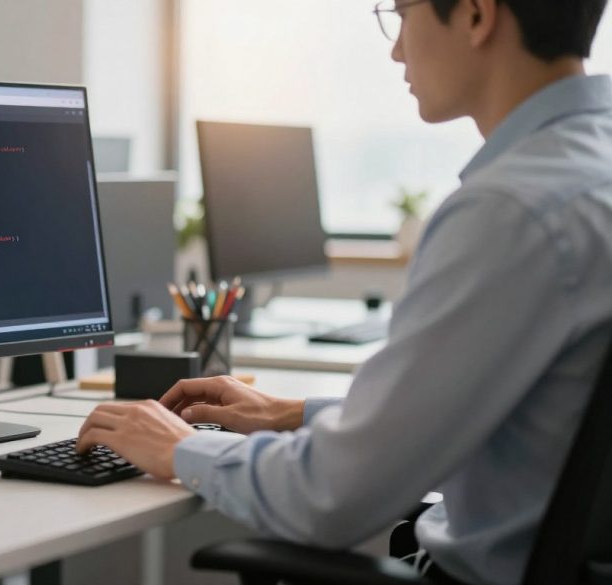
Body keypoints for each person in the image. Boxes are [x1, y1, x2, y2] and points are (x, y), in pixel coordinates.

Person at [75, 1, 612, 583]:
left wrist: (179, 447)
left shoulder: (511, 212)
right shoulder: (589, 168)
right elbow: (496, 414)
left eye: (401, 14)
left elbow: (329, 499)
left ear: (478, 16)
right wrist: (293, 413)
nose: (396, 48)